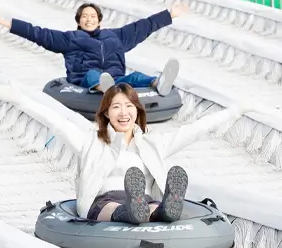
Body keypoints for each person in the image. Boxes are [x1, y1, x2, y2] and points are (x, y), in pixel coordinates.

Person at [78, 83, 244, 224]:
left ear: (136, 111)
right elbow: (60, 124)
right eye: (116, 107)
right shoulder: (92, 140)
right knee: (114, 208)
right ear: (106, 113)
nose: (123, 113)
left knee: (153, 207)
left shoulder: (153, 143)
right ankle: (129, 211)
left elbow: (195, 130)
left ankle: (165, 210)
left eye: (129, 106)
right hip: (106, 199)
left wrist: (236, 111)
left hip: (143, 200)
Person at [0, 0, 189, 95]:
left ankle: (157, 82)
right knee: (93, 75)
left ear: (99, 20)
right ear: (79, 21)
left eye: (92, 16)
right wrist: (6, 23)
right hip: (85, 81)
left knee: (135, 77)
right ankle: (104, 89)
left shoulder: (116, 36)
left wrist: (170, 14)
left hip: (116, 79)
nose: (89, 19)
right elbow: (38, 33)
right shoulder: (70, 38)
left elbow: (143, 26)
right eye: (84, 17)